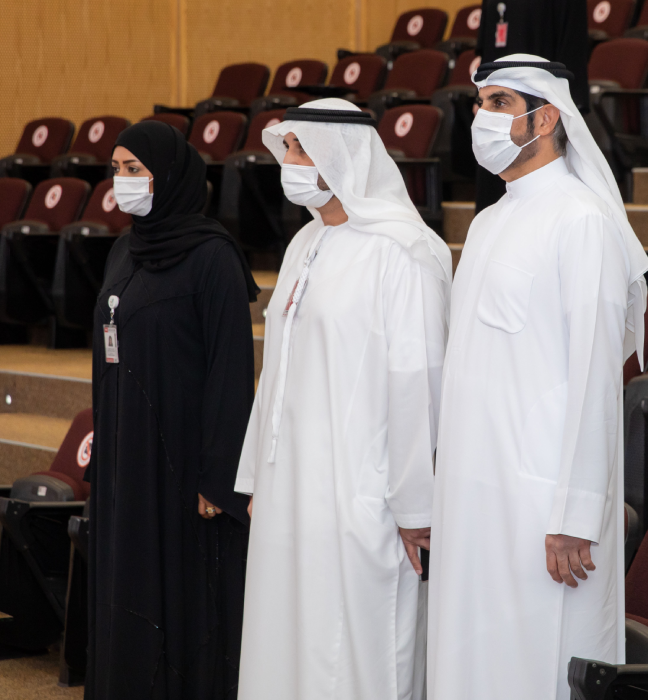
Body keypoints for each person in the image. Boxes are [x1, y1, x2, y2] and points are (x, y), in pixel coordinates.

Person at [427, 55, 648, 700]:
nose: (480, 118)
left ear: (546, 116)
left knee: (536, 666)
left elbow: (593, 376)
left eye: (498, 104)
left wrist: (576, 512)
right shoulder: (491, 219)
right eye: (479, 105)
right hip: (474, 493)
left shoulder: (582, 219)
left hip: (542, 509)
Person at [233, 99, 452, 700]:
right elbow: (274, 371)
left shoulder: (404, 253)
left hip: (362, 497)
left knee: (354, 655)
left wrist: (416, 508)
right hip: (290, 489)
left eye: (303, 149)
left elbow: (419, 385)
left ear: (341, 155)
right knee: (288, 643)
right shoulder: (304, 244)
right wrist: (257, 477)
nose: (290, 162)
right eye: (288, 150)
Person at [87, 121, 259, 699]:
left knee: (184, 599)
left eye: (135, 169)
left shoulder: (213, 258)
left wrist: (219, 478)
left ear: (171, 175)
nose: (123, 181)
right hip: (126, 459)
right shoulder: (123, 249)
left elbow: (231, 372)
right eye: (116, 169)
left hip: (186, 469)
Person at [472, 0, 589, 213]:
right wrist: (486, 101)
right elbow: (487, 49)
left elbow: (573, 47)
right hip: (506, 105)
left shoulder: (582, 216)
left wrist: (562, 103)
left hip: (542, 108)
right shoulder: (484, 222)